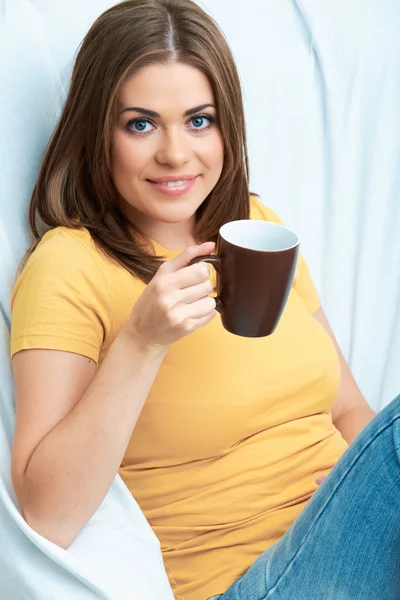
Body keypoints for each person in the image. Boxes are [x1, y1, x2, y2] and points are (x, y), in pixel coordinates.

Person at [9, 1, 400, 599]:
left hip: (359, 545)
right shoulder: (70, 264)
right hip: (255, 581)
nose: (175, 153)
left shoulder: (255, 224)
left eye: (199, 120)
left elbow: (349, 412)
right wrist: (142, 342)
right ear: (98, 132)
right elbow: (47, 514)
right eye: (141, 124)